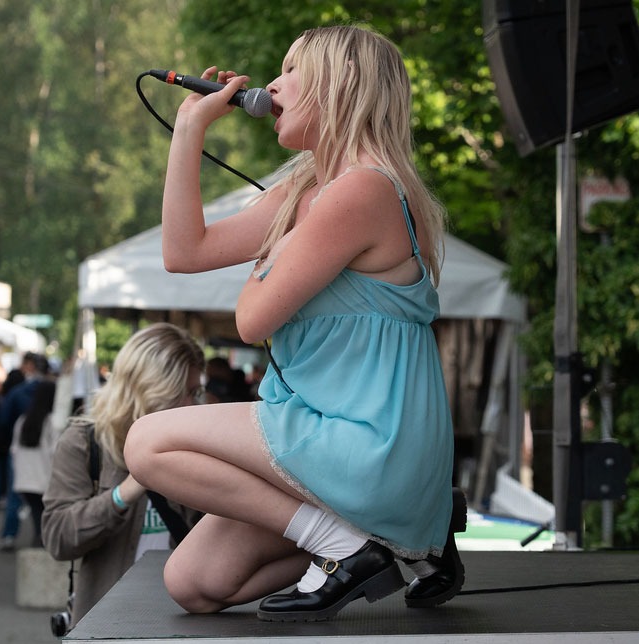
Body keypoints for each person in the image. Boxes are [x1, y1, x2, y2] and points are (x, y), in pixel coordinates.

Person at [123, 24, 461, 623]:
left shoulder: (361, 191)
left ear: (339, 85)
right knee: (192, 582)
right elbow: (184, 252)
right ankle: (403, 533)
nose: (271, 86)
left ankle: (348, 547)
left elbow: (252, 320)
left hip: (364, 440)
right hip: (335, 440)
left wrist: (275, 248)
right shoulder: (309, 189)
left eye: (289, 72)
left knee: (147, 441)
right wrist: (189, 130)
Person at [41, 323, 206, 630]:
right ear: (154, 389)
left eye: (197, 393)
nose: (193, 405)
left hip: (178, 619)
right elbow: (57, 537)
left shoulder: (189, 445)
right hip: (106, 623)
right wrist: (125, 491)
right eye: (187, 393)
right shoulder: (85, 442)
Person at [10, 379, 58, 547]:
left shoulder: (23, 420)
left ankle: (38, 540)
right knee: (44, 517)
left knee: (37, 516)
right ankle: (41, 543)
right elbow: (55, 452)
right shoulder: (52, 422)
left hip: (25, 479)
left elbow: (14, 450)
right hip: (44, 479)